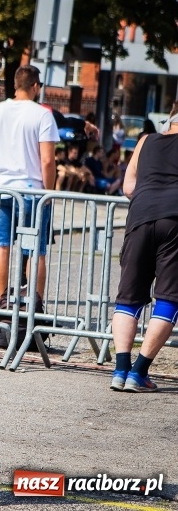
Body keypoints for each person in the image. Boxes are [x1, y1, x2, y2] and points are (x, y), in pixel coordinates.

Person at [0, 65, 59, 310]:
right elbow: (47, 160)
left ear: (14, 85)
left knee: (2, 246)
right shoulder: (42, 115)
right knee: (35, 250)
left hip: (1, 188)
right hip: (32, 190)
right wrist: (49, 191)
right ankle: (35, 305)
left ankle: (1, 304)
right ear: (35, 86)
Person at [110, 103, 178, 392]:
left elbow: (128, 187)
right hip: (174, 219)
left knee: (129, 297)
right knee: (169, 297)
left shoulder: (145, 141)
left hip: (140, 216)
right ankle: (139, 372)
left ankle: (120, 370)